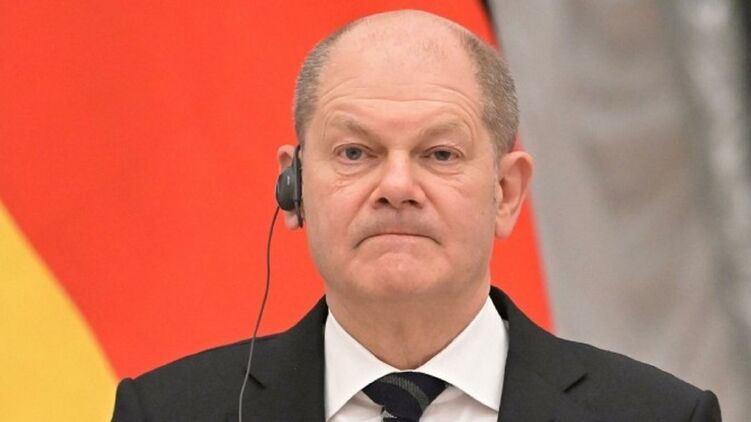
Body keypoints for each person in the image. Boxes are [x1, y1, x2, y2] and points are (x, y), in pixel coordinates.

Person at [111, 10, 722, 421]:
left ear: (506, 192)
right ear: (293, 187)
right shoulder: (168, 412)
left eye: (440, 154)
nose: (397, 187)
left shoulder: (660, 416)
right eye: (355, 153)